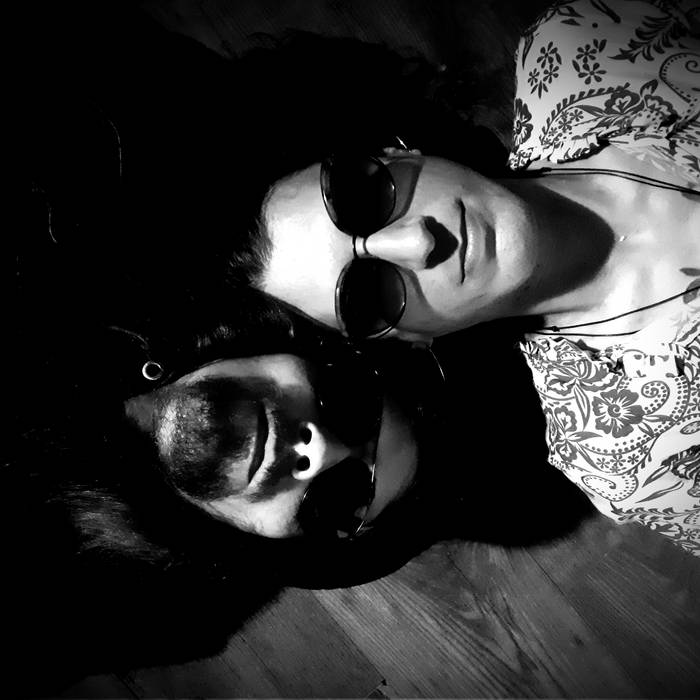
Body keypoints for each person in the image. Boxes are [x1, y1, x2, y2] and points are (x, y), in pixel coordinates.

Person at [224, 0, 700, 556]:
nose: (418, 243)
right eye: (370, 294)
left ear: (396, 150)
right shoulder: (625, 454)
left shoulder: (583, 46)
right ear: (411, 341)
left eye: (364, 195)